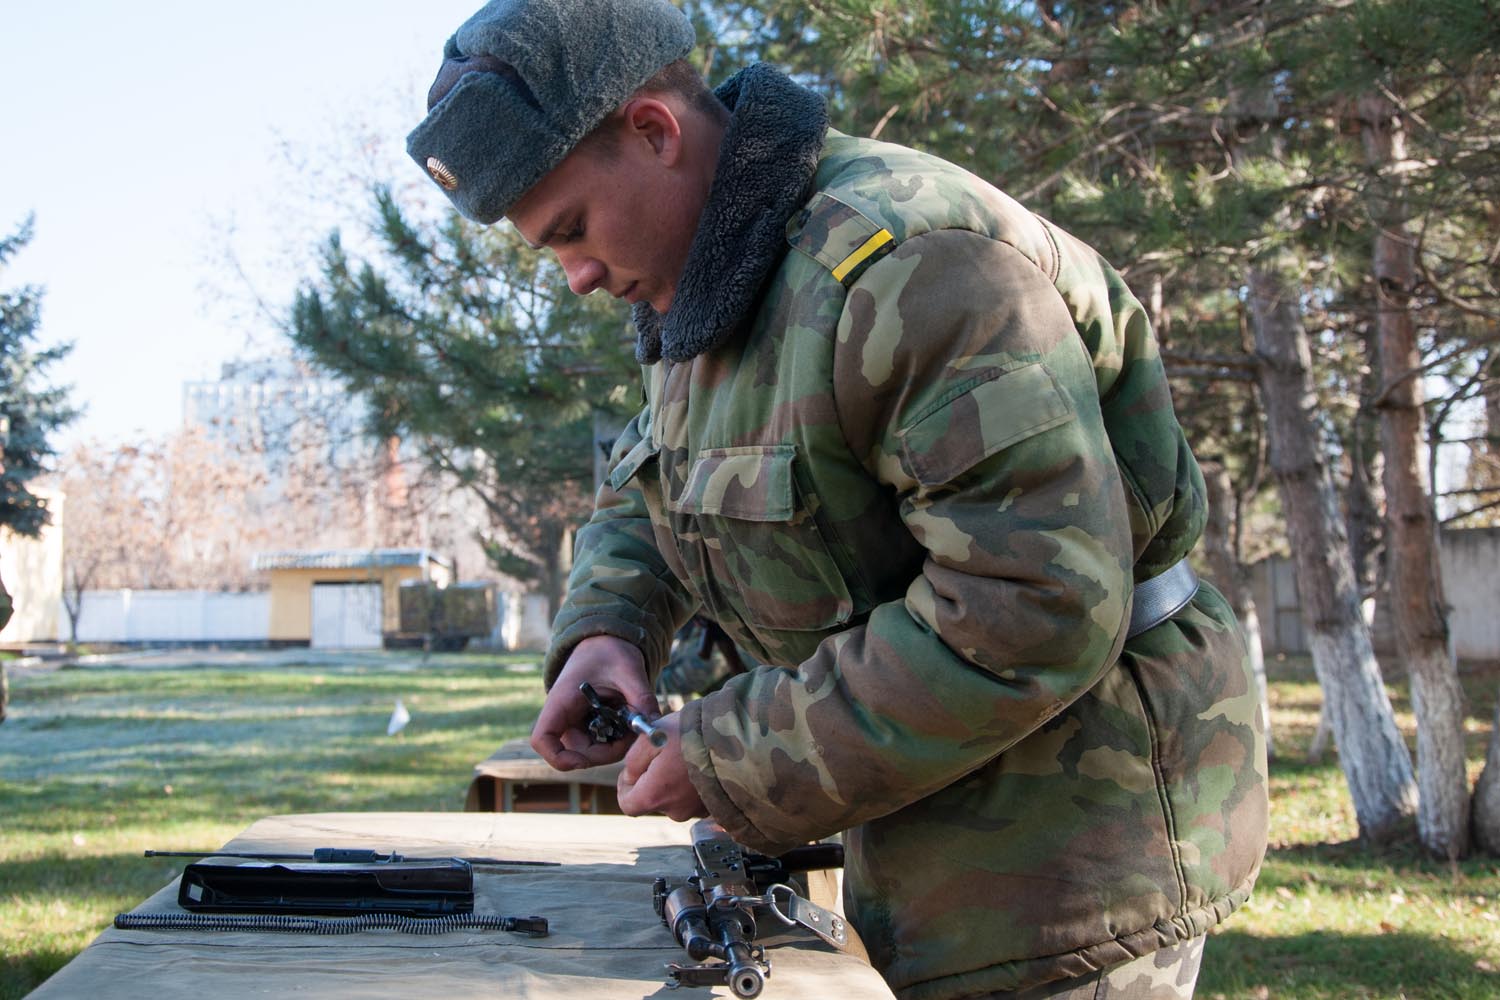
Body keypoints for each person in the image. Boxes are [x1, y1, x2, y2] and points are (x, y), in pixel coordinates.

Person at [407, 2, 1269, 997]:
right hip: (915, 821)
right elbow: (654, 486)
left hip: (1066, 856)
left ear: (654, 131)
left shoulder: (914, 266)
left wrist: (736, 754)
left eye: (571, 229)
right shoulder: (712, 284)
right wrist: (611, 628)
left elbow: (1037, 604)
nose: (576, 277)